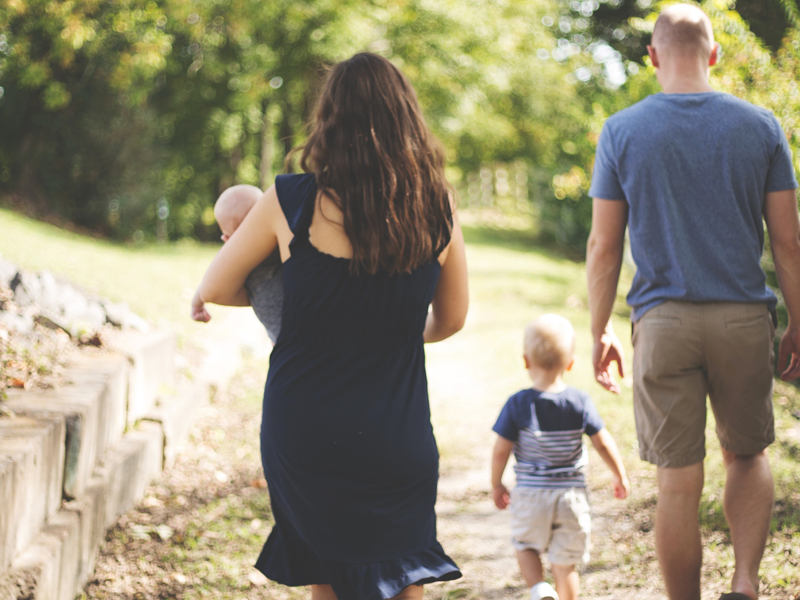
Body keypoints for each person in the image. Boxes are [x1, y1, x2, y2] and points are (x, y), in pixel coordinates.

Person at [191, 52, 469, 600]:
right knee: (403, 574)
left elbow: (216, 288)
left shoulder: (290, 199)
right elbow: (452, 319)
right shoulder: (438, 209)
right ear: (407, 119)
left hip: (306, 428)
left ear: (330, 120)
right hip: (396, 428)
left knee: (327, 576)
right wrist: (387, 328)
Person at [586, 4, 800, 600]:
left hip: (663, 324)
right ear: (713, 54)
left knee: (678, 483)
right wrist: (798, 323)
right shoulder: (761, 126)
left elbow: (604, 248)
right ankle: (747, 582)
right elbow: (789, 240)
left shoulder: (622, 131)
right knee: (748, 453)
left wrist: (599, 329)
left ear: (651, 56)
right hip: (742, 319)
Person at [491, 314, 629, 600]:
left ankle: (539, 588)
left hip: (530, 494)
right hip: (571, 496)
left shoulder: (517, 403)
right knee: (565, 561)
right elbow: (602, 443)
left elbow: (501, 449)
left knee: (526, 545)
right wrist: (619, 474)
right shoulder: (579, 401)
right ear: (570, 363)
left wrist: (497, 483)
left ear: (526, 361)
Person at [192, 184, 283, 343]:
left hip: (286, 350)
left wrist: (197, 303)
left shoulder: (241, 271)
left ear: (227, 240)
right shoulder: (283, 245)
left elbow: (213, 278)